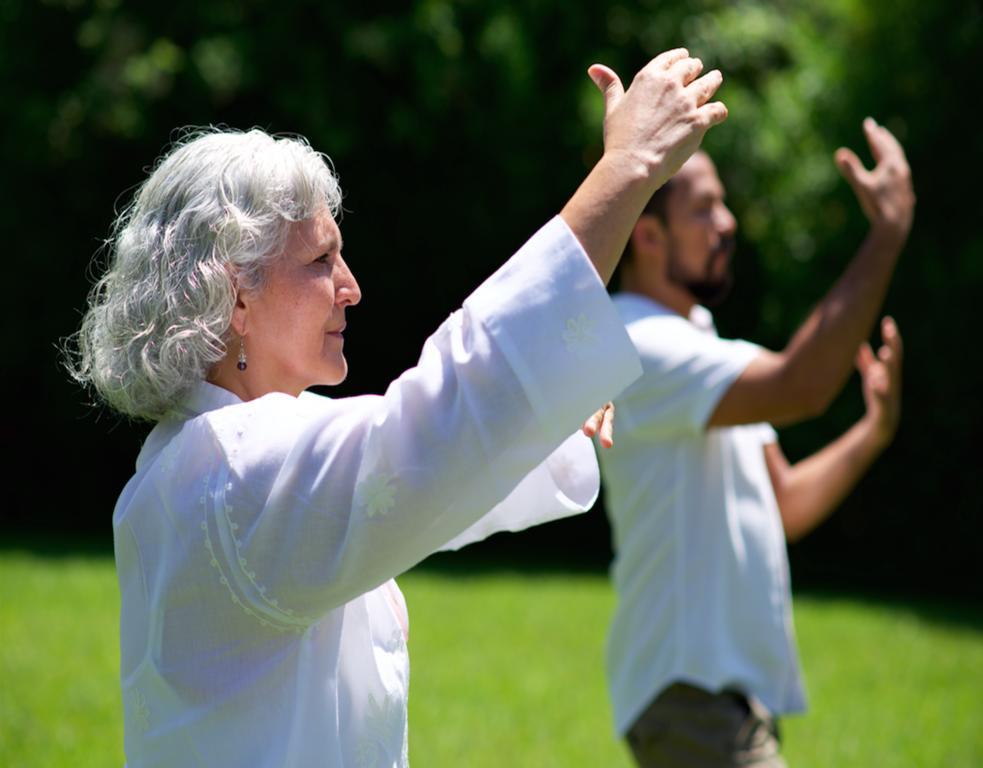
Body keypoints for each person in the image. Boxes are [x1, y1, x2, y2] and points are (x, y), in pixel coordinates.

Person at [68, 50, 726, 767]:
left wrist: (542, 407)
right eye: (320, 261)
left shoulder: (205, 467)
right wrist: (626, 168)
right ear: (236, 295)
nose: (349, 287)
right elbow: (426, 431)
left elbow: (425, 481)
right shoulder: (230, 474)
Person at [598, 119, 913, 767]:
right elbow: (801, 385)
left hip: (722, 696)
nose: (728, 222)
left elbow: (785, 501)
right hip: (689, 694)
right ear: (649, 236)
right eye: (705, 207)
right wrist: (884, 237)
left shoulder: (698, 341)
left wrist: (871, 433)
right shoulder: (640, 345)